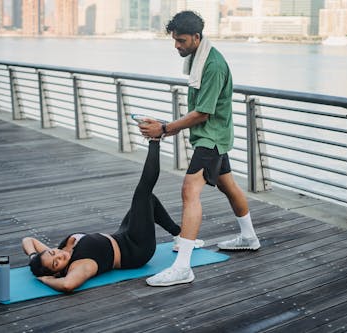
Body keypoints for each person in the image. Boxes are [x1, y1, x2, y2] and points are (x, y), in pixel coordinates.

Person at [139, 11, 260, 287]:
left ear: (196, 37)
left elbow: (203, 112)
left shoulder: (213, 65)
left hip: (211, 137)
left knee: (189, 190)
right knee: (228, 185)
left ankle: (183, 267)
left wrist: (165, 128)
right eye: (174, 41)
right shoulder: (198, 58)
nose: (177, 46)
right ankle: (249, 237)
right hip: (212, 135)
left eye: (181, 41)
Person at [22, 140, 192, 292]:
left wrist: (33, 256)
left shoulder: (60, 252)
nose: (59, 256)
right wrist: (46, 280)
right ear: (57, 271)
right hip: (136, 249)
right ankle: (154, 141)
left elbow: (28, 240)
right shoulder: (80, 265)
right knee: (143, 193)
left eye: (52, 253)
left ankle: (178, 235)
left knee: (149, 201)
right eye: (55, 263)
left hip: (123, 235)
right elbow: (68, 285)